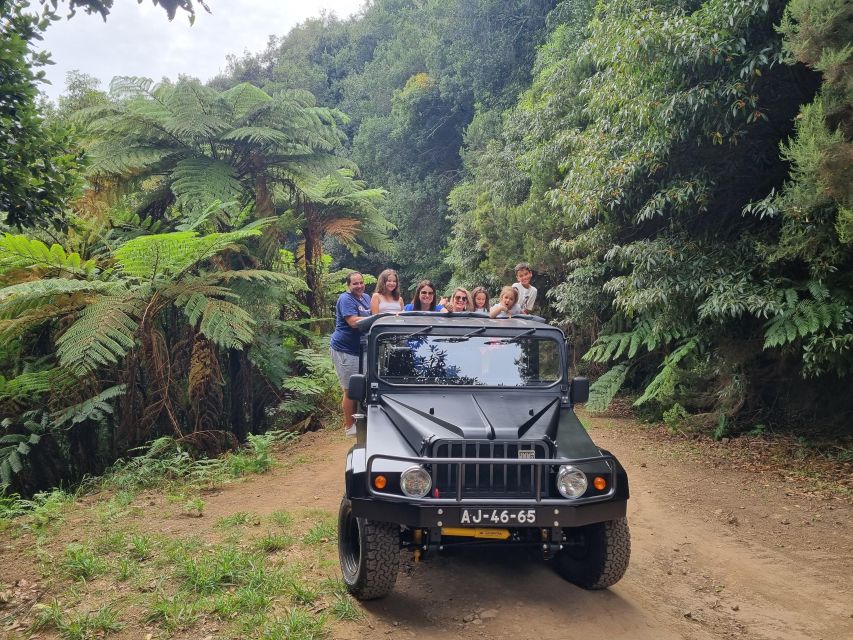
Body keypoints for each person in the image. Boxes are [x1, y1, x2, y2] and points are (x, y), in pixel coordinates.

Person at [330, 272, 372, 435]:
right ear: (348, 285)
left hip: (362, 349)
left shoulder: (366, 297)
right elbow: (353, 322)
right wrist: (376, 318)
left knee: (362, 386)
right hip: (345, 349)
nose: (359, 286)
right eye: (355, 283)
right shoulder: (345, 299)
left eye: (361, 282)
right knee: (350, 388)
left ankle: (361, 419)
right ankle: (349, 426)